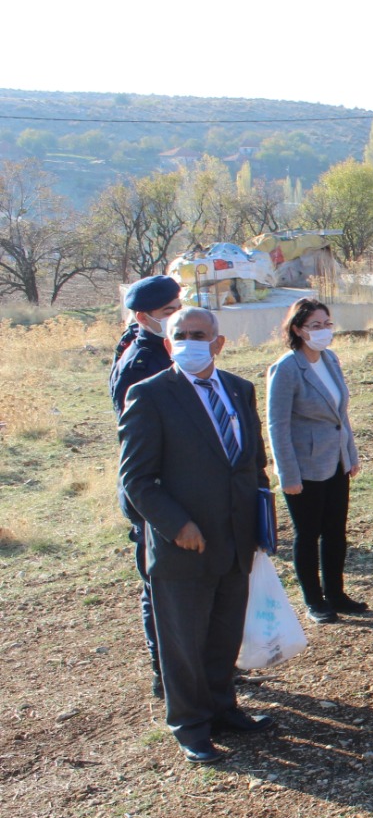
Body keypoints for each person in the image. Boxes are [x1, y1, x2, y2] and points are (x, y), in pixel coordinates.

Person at [118, 307, 276, 764]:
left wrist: (261, 517)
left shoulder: (238, 389)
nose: (189, 341)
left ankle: (223, 708)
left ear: (218, 343)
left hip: (235, 536)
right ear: (168, 345)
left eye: (199, 334)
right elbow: (137, 479)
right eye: (180, 335)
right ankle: (190, 724)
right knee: (183, 640)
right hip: (183, 544)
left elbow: (251, 463)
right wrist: (176, 525)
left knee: (224, 632)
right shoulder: (148, 396)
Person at [266, 298, 364, 625]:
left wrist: (350, 455)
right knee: (307, 534)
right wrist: (287, 474)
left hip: (335, 462)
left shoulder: (331, 359)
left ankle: (336, 593)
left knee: (335, 531)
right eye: (314, 326)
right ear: (297, 329)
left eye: (327, 324)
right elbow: (277, 424)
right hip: (304, 468)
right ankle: (314, 600)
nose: (323, 331)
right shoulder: (287, 368)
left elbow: (340, 414)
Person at [109, 275, 184, 699]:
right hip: (154, 494)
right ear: (143, 318)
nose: (176, 315)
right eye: (168, 312)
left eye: (178, 305)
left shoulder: (163, 349)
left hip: (179, 487)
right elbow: (139, 444)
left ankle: (191, 663)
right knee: (159, 586)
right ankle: (166, 671)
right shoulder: (140, 363)